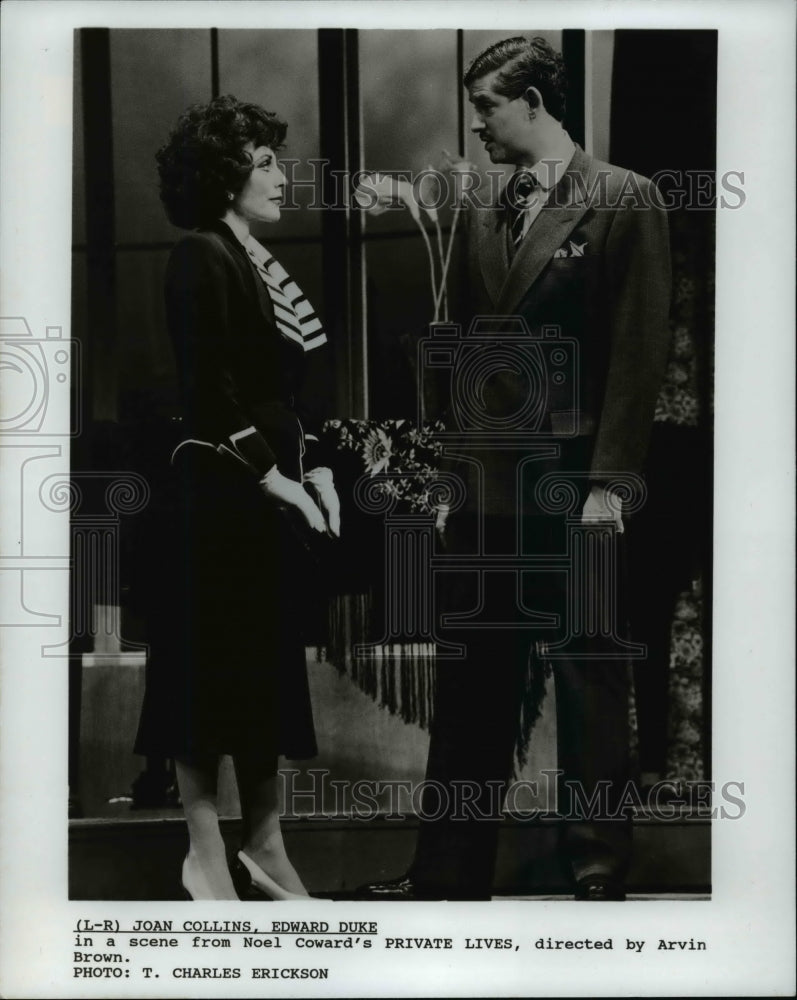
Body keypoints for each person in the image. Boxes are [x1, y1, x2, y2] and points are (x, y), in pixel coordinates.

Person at [358, 36, 671, 901]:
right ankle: (447, 871)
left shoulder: (623, 199)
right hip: (489, 481)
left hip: (575, 481)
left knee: (586, 670)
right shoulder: (480, 206)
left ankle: (597, 865)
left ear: (533, 102)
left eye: (488, 107)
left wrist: (610, 482)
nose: (477, 124)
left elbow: (639, 352)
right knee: (471, 677)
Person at [134, 95, 340, 901]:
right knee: (203, 672)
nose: (282, 178)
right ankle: (205, 851)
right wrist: (279, 478)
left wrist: (315, 468)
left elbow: (287, 393)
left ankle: (264, 842)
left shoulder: (254, 258)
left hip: (265, 505)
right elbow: (210, 393)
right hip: (216, 502)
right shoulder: (200, 255)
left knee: (261, 672)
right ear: (223, 175)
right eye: (264, 163)